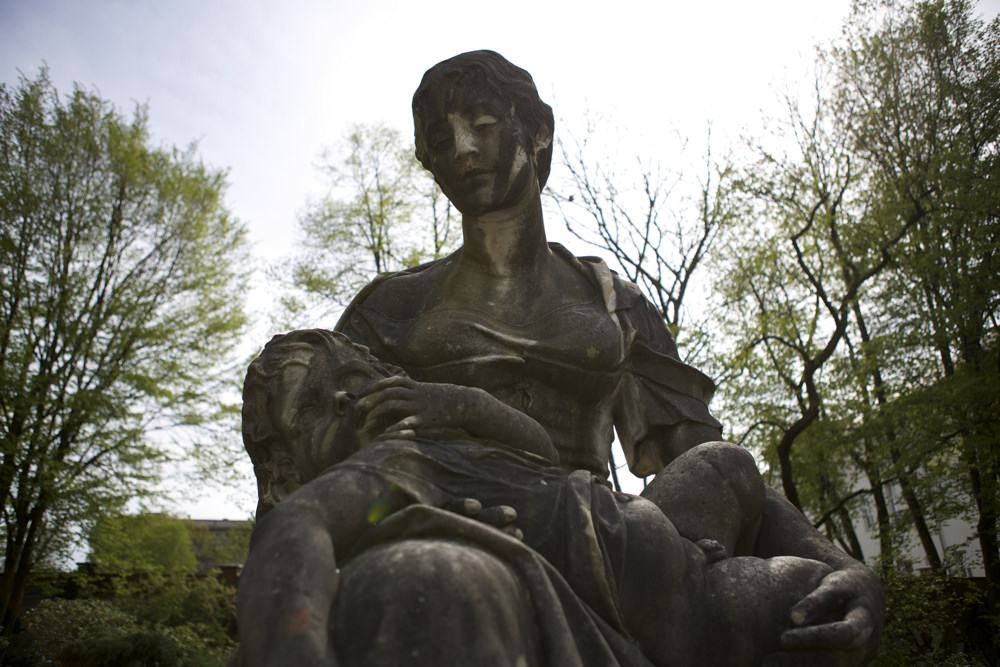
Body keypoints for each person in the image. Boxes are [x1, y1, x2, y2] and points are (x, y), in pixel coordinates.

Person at [236, 50, 884, 666]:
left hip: (609, 537)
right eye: (441, 138)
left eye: (482, 126)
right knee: (425, 582)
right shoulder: (388, 308)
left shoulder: (613, 304)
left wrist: (837, 562)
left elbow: (713, 471)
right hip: (448, 523)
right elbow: (300, 477)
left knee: (796, 602)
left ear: (537, 131)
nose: (461, 149)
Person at [236, 328, 836, 666]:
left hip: (688, 569)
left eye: (352, 379)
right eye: (312, 408)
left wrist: (464, 405)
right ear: (288, 474)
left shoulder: (444, 434)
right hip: (637, 604)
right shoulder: (388, 467)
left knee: (733, 475)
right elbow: (297, 529)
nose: (347, 399)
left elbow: (542, 448)